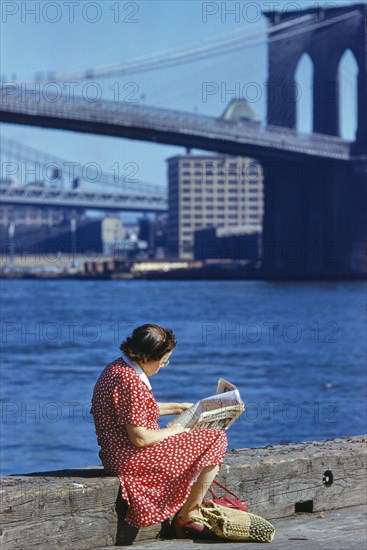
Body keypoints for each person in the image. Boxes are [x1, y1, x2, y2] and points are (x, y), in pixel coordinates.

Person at [91, 323, 227, 537]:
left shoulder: (117, 368)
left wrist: (179, 407)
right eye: (163, 361)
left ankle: (188, 509)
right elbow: (140, 439)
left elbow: (134, 411)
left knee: (204, 437)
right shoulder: (131, 382)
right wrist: (175, 430)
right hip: (130, 459)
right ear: (146, 358)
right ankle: (187, 515)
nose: (165, 365)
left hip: (115, 454)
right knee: (216, 439)